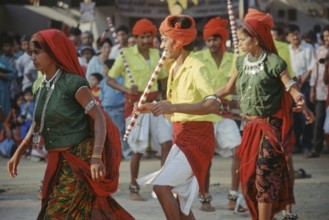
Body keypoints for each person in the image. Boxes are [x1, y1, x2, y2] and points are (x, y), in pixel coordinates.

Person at [6, 29, 133, 219]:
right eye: (31, 52)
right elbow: (38, 122)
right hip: (56, 160)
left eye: (38, 52)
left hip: (79, 160)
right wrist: (19, 151)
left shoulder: (74, 83)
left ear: (54, 53)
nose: (33, 57)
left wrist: (96, 157)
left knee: (55, 213)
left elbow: (98, 118)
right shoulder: (38, 86)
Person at [216, 9, 314, 220]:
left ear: (256, 40)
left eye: (243, 40)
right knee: (249, 177)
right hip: (250, 128)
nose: (239, 43)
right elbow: (226, 89)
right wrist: (202, 100)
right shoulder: (241, 62)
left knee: (263, 175)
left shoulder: (274, 62)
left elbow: (290, 86)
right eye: (239, 39)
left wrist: (300, 99)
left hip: (271, 128)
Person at [137, 14, 221, 220]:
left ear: (179, 41)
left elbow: (213, 103)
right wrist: (151, 107)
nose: (161, 44)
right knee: (179, 198)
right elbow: (174, 109)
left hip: (198, 137)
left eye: (165, 39)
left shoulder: (196, 66)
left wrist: (171, 106)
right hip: (180, 136)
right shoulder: (172, 67)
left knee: (161, 187)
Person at [107, 18, 172, 201]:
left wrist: (169, 98)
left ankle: (163, 184)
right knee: (138, 149)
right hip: (135, 105)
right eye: (142, 37)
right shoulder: (125, 54)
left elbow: (164, 79)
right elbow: (109, 79)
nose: (145, 40)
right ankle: (133, 188)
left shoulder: (156, 54)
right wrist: (127, 89)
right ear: (136, 37)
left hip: (156, 103)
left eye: (148, 37)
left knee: (167, 142)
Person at [193, 16, 246, 213]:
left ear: (222, 40)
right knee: (205, 159)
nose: (212, 43)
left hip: (225, 115)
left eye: (216, 39)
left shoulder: (235, 59)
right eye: (209, 40)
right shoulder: (197, 58)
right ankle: (204, 198)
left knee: (238, 152)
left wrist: (233, 98)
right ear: (205, 41)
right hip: (205, 116)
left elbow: (237, 88)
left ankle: (233, 196)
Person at [287, 24, 315, 155]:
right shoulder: (287, 50)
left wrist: (302, 80)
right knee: (294, 116)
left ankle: (307, 145)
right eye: (293, 35)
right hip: (291, 86)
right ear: (288, 37)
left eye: (297, 34)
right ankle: (296, 144)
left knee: (306, 114)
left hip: (305, 84)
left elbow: (311, 67)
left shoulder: (308, 48)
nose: (295, 37)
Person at [100, 59, 128, 159]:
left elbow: (126, 95)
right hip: (106, 109)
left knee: (120, 131)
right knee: (108, 133)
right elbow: (101, 96)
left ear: (111, 69)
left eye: (105, 68)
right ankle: (112, 154)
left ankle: (126, 153)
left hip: (117, 109)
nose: (103, 70)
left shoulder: (121, 80)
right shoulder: (103, 81)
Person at [309, 25, 329, 158]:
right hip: (321, 90)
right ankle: (316, 147)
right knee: (319, 120)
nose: (327, 38)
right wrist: (312, 88)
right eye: (326, 36)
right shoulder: (320, 50)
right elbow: (315, 71)